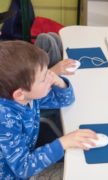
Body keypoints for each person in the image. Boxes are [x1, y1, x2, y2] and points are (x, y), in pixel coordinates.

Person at [0, 40, 97, 179]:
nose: (50, 77)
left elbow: (65, 100)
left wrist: (59, 81)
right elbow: (24, 169)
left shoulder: (29, 95)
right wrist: (63, 143)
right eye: (44, 78)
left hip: (28, 158)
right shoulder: (5, 121)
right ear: (20, 94)